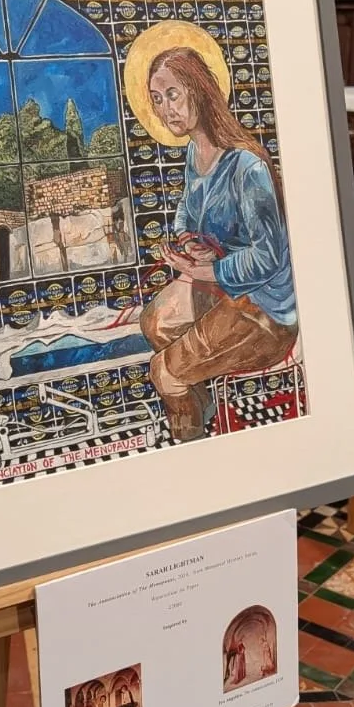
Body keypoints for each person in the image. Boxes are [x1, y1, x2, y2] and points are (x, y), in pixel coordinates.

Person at [139, 46, 298, 442]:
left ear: (199, 89)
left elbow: (268, 256)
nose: (165, 109)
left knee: (163, 372)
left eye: (172, 94)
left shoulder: (247, 165)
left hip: (264, 307)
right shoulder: (196, 152)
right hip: (222, 285)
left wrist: (209, 270)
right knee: (154, 323)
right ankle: (202, 407)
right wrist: (190, 240)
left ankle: (189, 445)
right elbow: (185, 209)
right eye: (156, 99)